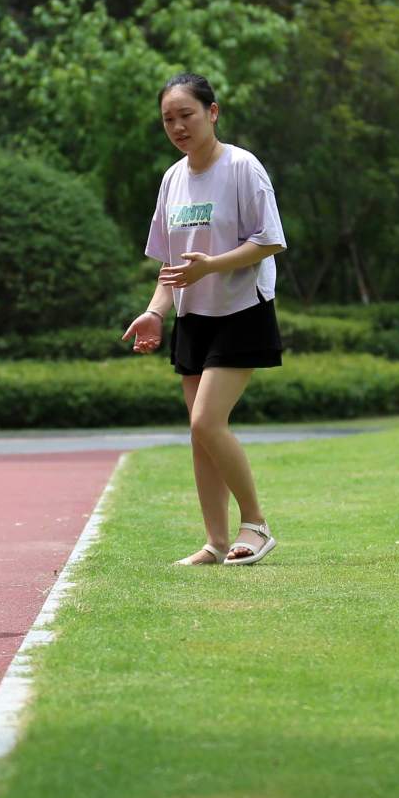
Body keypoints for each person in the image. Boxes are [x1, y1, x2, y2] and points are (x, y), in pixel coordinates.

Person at [121, 72, 286, 566]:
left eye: (186, 115)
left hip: (241, 309)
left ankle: (256, 524)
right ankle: (215, 542)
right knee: (200, 434)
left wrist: (211, 266)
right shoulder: (172, 179)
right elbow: (170, 266)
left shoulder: (241, 167)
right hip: (194, 316)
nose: (178, 126)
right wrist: (155, 312)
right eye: (168, 119)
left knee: (207, 422)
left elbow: (270, 239)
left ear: (212, 112)